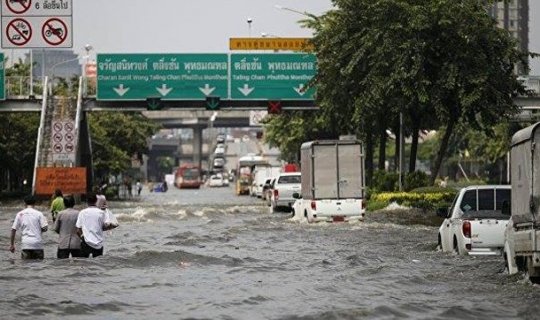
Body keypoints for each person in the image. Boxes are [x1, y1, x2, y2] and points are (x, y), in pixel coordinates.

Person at [76, 192, 116, 258]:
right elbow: (106, 226)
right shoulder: (102, 213)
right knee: (98, 265)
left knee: (83, 264)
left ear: (87, 201)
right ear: (96, 201)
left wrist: (82, 237)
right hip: (98, 244)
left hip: (86, 243)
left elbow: (78, 230)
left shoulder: (82, 212)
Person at [9, 195, 48, 260]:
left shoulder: (20, 214)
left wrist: (12, 245)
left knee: (25, 267)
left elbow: (13, 230)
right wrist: (39, 230)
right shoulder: (39, 214)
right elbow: (45, 228)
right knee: (39, 268)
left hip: (26, 244)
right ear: (35, 203)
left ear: (25, 203)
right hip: (37, 245)